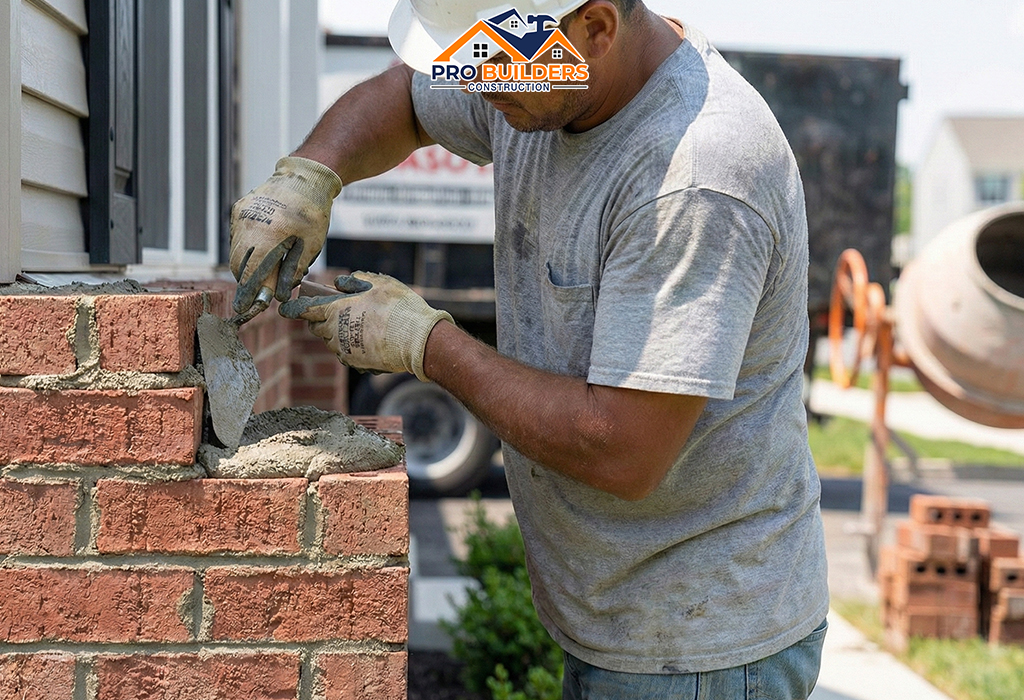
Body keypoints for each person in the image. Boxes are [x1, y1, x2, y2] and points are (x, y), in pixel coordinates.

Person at [229, 0, 829, 696]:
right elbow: (407, 96)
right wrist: (309, 175)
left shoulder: (697, 177)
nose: (478, 92)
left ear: (597, 28)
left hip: (702, 647)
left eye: (492, 72)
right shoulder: (537, 64)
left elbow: (623, 448)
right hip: (619, 616)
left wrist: (425, 343)